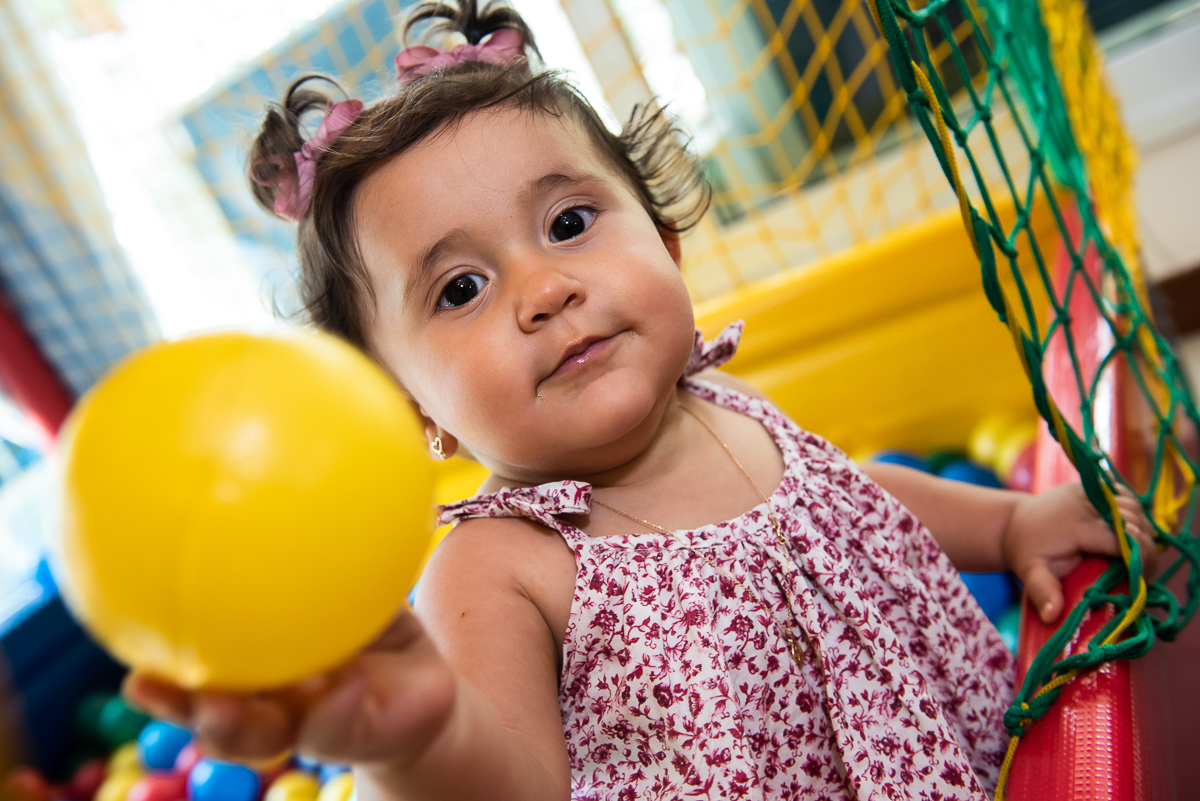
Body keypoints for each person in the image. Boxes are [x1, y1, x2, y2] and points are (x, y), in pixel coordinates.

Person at [124, 1, 1156, 798]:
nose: (545, 289)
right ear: (409, 409)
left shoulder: (729, 404)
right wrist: (420, 735)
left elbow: (857, 504)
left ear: (663, 242)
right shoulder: (497, 570)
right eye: (461, 290)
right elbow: (514, 782)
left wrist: (1013, 520)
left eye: (570, 222)